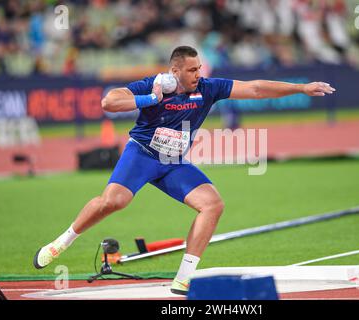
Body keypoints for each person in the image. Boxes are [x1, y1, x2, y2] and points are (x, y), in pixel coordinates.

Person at [33, 45, 335, 295]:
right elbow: (108, 102)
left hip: (173, 163)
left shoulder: (208, 88)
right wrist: (150, 99)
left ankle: (184, 277)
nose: (197, 74)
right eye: (192, 70)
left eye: (199, 68)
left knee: (213, 205)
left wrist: (301, 88)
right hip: (142, 154)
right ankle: (62, 242)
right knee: (114, 201)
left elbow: (255, 89)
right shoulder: (153, 85)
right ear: (174, 71)